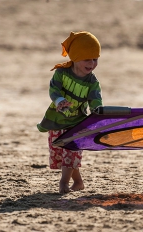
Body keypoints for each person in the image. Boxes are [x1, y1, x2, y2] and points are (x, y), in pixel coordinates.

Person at [37, 31, 103, 194]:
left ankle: (63, 184)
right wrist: (59, 101)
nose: (92, 63)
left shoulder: (92, 81)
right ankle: (78, 182)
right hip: (57, 120)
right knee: (60, 155)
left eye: (95, 59)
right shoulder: (61, 73)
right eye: (87, 59)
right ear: (75, 57)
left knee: (71, 153)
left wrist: (98, 112)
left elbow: (95, 100)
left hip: (77, 123)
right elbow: (54, 90)